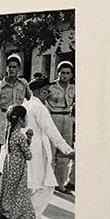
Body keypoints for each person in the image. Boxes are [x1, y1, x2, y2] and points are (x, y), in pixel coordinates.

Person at [23, 74, 74, 219]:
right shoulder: (39, 107)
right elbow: (51, 131)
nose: (49, 94)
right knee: (47, 185)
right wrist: (66, 149)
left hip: (27, 147)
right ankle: (28, 217)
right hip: (37, 149)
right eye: (46, 91)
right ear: (39, 92)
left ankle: (28, 216)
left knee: (34, 185)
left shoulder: (26, 105)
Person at [0, 54, 29, 198]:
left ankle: (13, 187)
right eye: (9, 67)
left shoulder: (23, 85)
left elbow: (31, 101)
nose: (11, 69)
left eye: (14, 67)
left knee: (15, 155)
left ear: (19, 69)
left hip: (15, 122)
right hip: (0, 118)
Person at [0, 105, 35, 219]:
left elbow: (18, 149)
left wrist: (27, 140)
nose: (27, 120)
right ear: (20, 120)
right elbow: (28, 155)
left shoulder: (10, 133)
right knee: (18, 202)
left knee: (18, 201)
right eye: (26, 117)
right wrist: (28, 141)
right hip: (18, 173)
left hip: (10, 171)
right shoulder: (19, 136)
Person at [46, 60, 76, 193]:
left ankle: (60, 183)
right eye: (62, 73)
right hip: (54, 117)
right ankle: (48, 182)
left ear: (71, 75)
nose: (64, 75)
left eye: (67, 73)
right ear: (57, 73)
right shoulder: (50, 87)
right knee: (51, 152)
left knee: (65, 152)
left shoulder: (74, 88)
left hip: (67, 119)